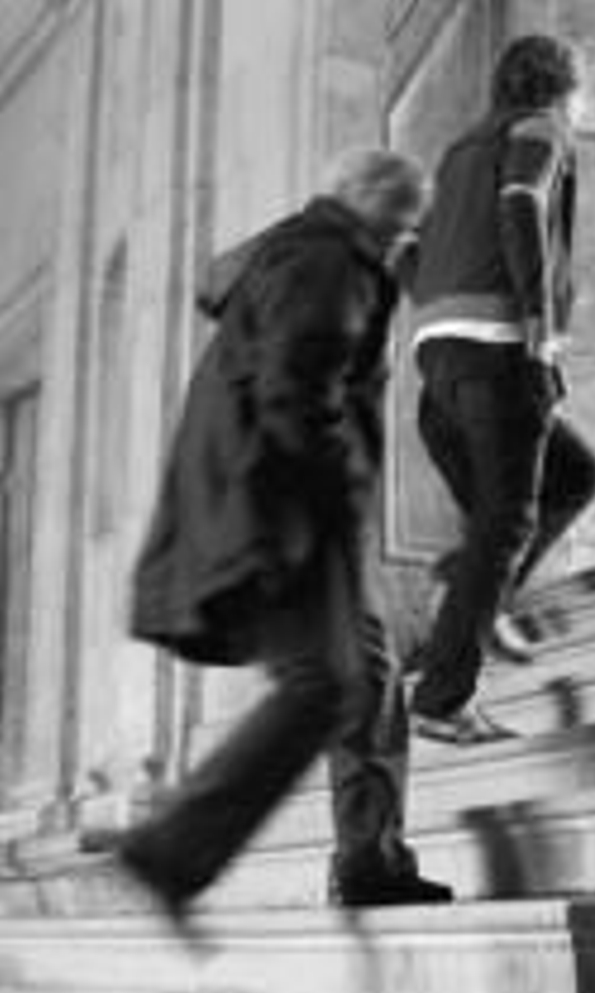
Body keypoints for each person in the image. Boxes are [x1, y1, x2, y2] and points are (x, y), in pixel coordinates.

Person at [115, 149, 452, 925]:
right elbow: (296, 392)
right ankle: (169, 849)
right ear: (374, 205)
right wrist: (344, 485)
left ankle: (370, 859)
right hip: (285, 509)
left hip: (281, 500)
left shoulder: (307, 253)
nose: (407, 238)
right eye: (405, 221)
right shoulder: (330, 261)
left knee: (365, 670)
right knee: (324, 685)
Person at [402, 33, 595, 745]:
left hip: (440, 359)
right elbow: (522, 205)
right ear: (560, 86)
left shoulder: (460, 151)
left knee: (572, 477)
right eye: (580, 86)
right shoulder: (540, 130)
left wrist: (436, 312)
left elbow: (408, 248)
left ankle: (468, 589)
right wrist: (538, 324)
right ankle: (441, 700)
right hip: (498, 350)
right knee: (507, 523)